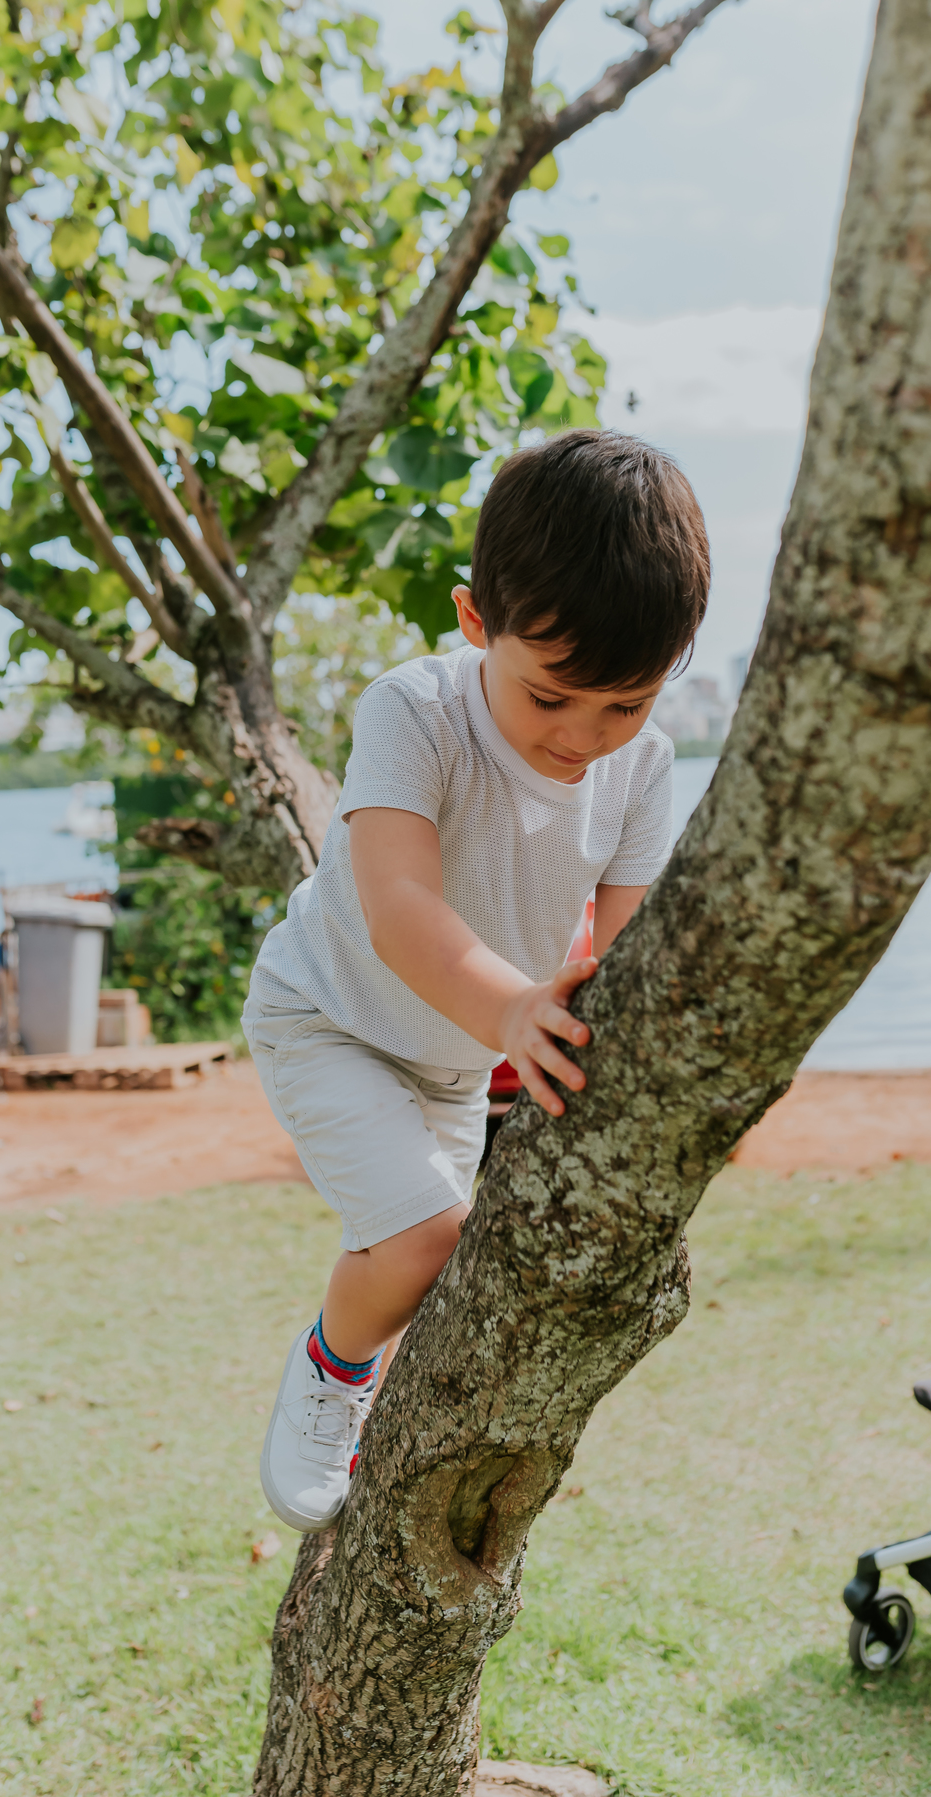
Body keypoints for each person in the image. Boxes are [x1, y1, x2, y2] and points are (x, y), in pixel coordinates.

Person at [242, 428, 710, 1532]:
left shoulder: (643, 768)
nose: (583, 739)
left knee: (446, 1274)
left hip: (456, 1065)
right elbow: (401, 908)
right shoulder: (416, 712)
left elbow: (621, 951)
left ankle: (375, 1405)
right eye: (553, 698)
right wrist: (511, 1008)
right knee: (421, 1241)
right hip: (331, 1016)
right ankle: (328, 1370)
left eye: (626, 704)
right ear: (474, 621)